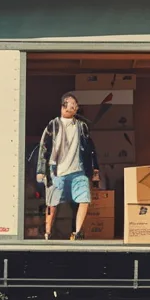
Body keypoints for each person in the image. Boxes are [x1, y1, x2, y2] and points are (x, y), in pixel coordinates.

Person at [35, 93, 100, 240]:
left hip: (79, 170)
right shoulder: (53, 125)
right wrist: (41, 170)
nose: (75, 107)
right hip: (57, 170)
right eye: (72, 104)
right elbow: (44, 148)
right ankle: (47, 232)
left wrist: (95, 169)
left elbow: (90, 149)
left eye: (76, 105)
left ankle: (77, 232)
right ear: (64, 105)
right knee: (52, 203)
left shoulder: (82, 126)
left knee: (84, 199)